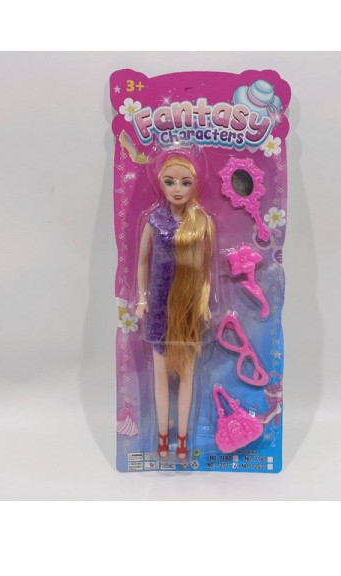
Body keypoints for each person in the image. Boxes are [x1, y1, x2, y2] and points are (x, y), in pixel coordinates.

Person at [135, 155, 215, 460]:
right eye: (170, 182)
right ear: (161, 184)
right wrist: (142, 299)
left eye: (185, 182)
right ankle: (161, 437)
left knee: (186, 374)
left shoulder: (201, 222)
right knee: (160, 373)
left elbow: (205, 269)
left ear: (195, 184)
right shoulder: (155, 221)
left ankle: (182, 440)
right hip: (158, 306)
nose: (177, 188)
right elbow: (142, 261)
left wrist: (204, 302)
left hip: (189, 305)